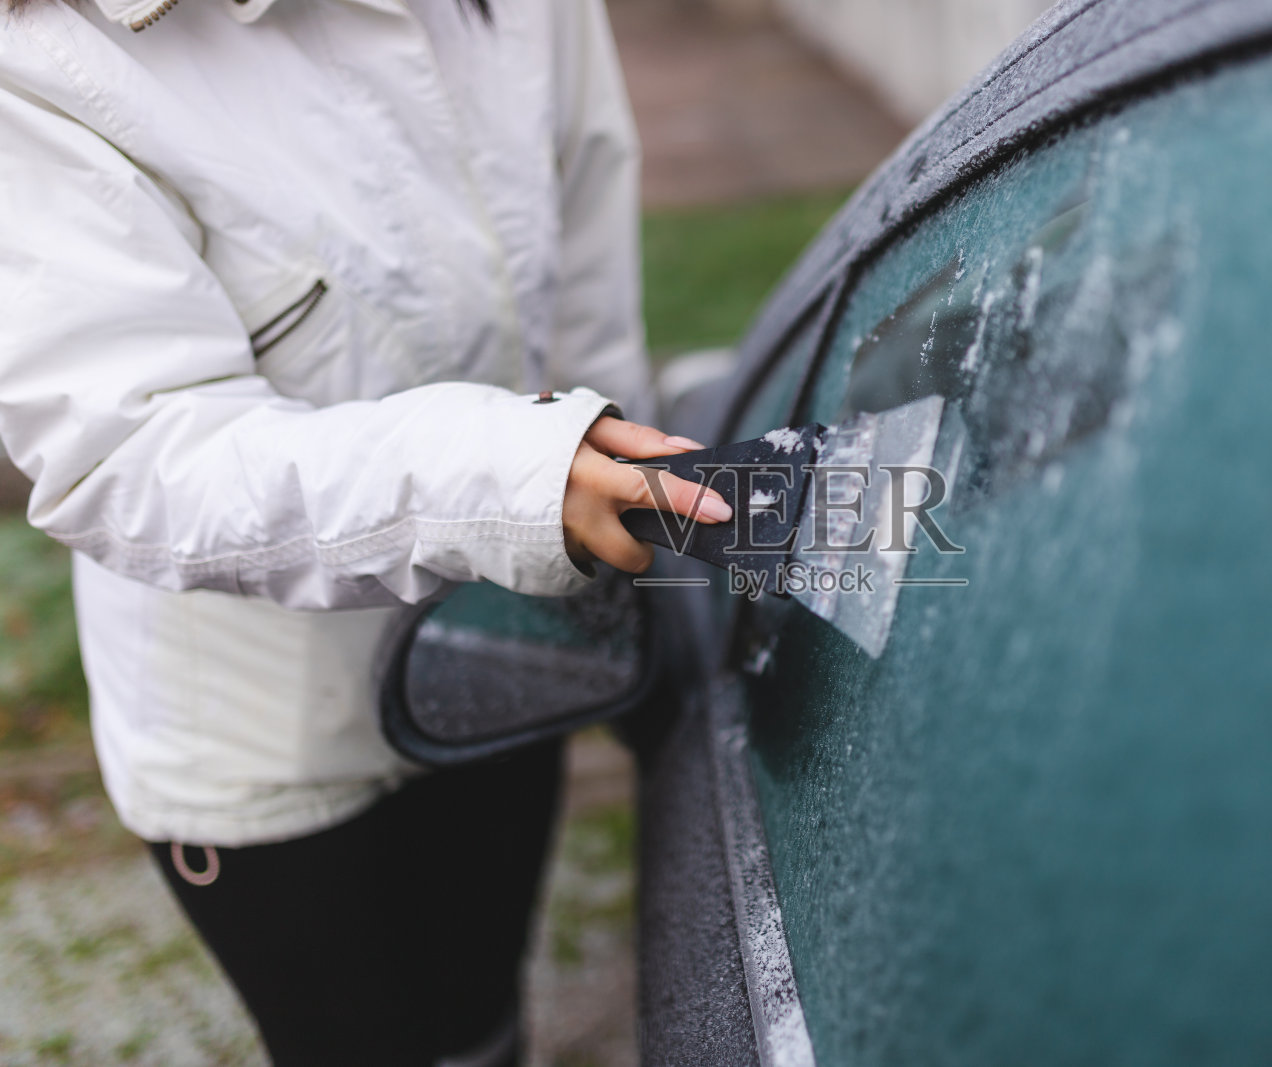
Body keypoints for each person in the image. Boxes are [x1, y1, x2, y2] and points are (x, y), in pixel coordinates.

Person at [0, 0, 730, 1062]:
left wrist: (624, 556)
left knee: (484, 1028)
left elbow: (584, 281)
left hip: (506, 637)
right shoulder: (49, 61)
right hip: (271, 740)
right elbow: (136, 452)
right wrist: (509, 475)